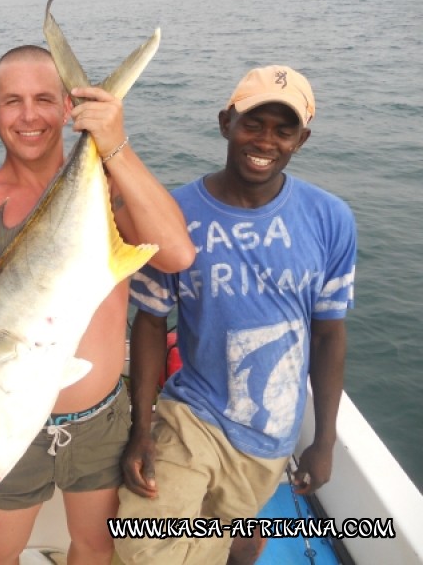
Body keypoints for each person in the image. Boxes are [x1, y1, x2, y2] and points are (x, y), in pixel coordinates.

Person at [0, 45, 196, 565]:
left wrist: (114, 143)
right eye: (12, 101)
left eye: (43, 99)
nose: (29, 115)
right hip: (9, 434)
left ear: (66, 108)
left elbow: (178, 254)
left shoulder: (110, 190)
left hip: (100, 423)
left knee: (95, 547)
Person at [117, 65, 357, 565]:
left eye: (283, 129)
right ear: (226, 122)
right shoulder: (174, 212)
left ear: (301, 139)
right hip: (194, 416)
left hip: (272, 434)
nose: (265, 139)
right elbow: (149, 320)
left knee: (240, 541)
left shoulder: (330, 217)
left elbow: (330, 334)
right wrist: (143, 428)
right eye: (253, 123)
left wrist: (324, 441)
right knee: (142, 542)